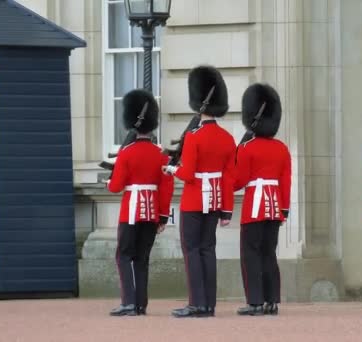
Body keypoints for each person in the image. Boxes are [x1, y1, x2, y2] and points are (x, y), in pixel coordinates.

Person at [163, 65, 237, 318]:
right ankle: (209, 305)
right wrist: (227, 210)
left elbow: (188, 174)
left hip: (194, 202)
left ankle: (196, 303)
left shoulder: (194, 136)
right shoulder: (228, 137)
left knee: (192, 250)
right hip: (216, 201)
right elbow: (229, 177)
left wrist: (171, 169)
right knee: (208, 250)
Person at [106, 89, 174, 316]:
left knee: (124, 255)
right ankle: (141, 304)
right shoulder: (161, 154)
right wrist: (163, 216)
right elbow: (166, 187)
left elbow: (115, 187)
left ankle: (128, 302)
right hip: (152, 212)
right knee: (142, 258)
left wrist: (109, 181)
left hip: (131, 212)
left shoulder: (126, 153)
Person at [234, 83, 290, 316]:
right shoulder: (281, 148)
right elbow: (286, 181)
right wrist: (284, 210)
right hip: (275, 208)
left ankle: (255, 301)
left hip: (254, 208)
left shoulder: (248, 148)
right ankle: (272, 301)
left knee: (251, 254)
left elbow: (238, 181)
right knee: (269, 254)